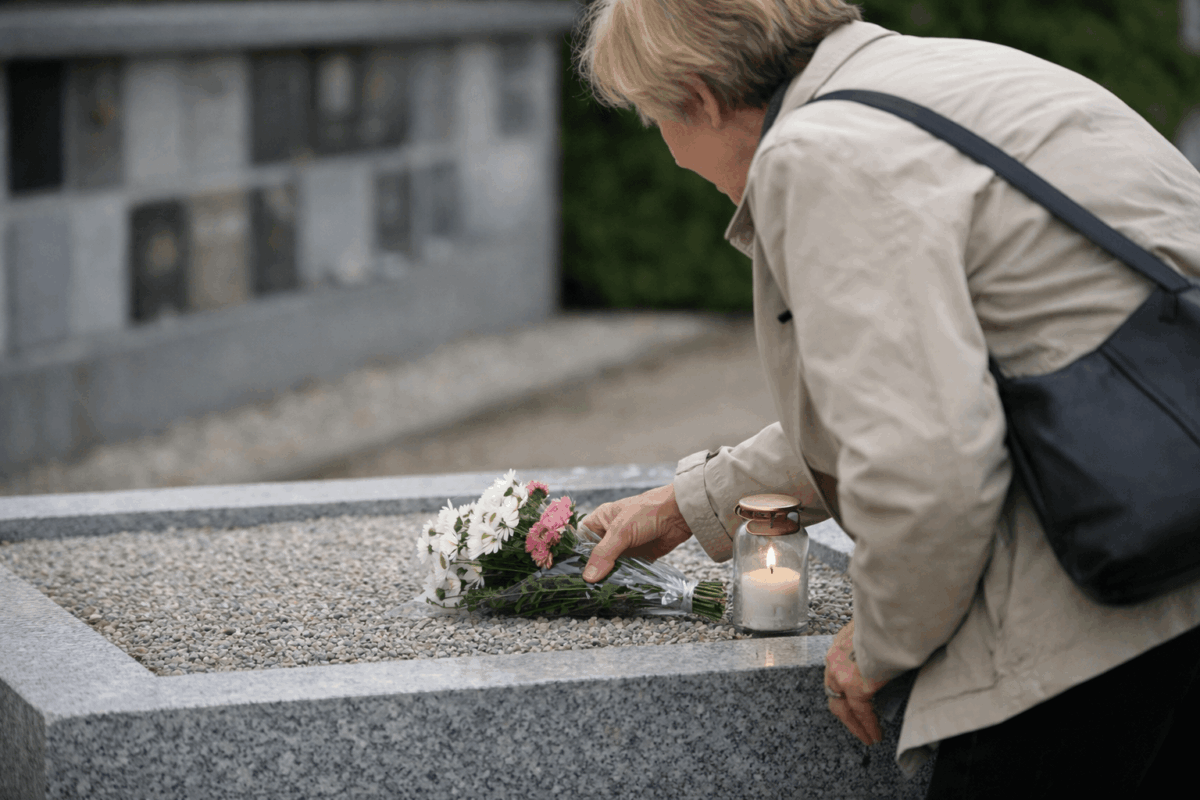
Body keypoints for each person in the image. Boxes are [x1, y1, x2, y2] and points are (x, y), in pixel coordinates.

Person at [571, 0, 1200, 795]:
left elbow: (924, 462)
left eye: (653, 116)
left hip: (1096, 608)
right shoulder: (956, 74)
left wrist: (882, 641)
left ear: (697, 96)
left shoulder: (819, 153)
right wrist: (693, 503)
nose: (664, 145)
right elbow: (935, 381)